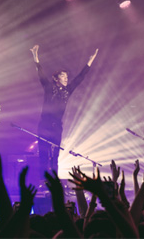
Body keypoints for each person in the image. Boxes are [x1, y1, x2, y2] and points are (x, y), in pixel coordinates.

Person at [30, 45, 98, 176]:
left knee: (55, 155)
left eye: (67, 76)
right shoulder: (49, 87)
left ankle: (54, 180)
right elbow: (41, 74)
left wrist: (90, 61)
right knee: (43, 154)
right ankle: (43, 180)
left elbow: (80, 77)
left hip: (56, 127)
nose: (66, 78)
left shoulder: (68, 91)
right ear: (56, 79)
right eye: (63, 76)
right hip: (44, 125)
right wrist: (35, 57)